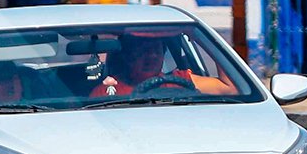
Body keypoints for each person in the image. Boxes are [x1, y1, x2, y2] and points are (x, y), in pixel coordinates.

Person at [90, 32, 235, 97]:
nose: (152, 56)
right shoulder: (107, 91)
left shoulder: (181, 81)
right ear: (128, 56)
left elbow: (230, 88)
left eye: (156, 51)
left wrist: (201, 38)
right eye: (144, 51)